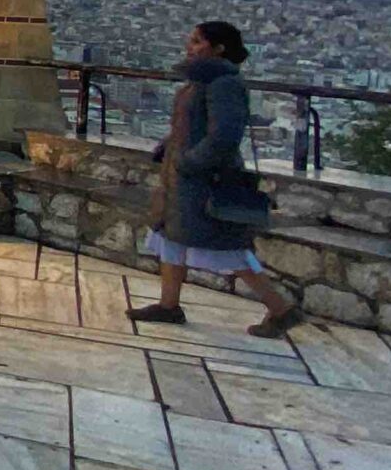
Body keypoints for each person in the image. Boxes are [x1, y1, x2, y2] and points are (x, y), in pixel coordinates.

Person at [129, 20, 304, 338]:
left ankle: (281, 309)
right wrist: (170, 150)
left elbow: (224, 135)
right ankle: (169, 304)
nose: (189, 46)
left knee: (225, 247)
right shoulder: (203, 80)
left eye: (197, 41)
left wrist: (188, 162)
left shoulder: (222, 83)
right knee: (171, 238)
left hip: (203, 179)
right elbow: (191, 126)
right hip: (184, 179)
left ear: (218, 48)